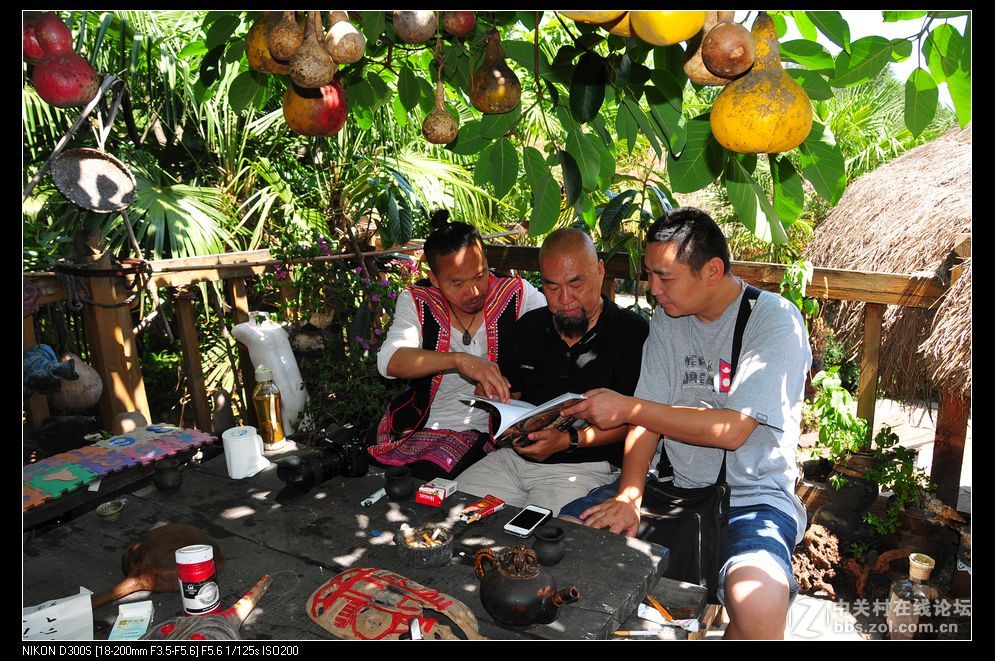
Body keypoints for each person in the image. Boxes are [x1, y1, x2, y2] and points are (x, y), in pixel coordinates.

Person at [560, 207, 811, 640]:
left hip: (752, 500)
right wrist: (630, 493)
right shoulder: (668, 319)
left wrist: (627, 408)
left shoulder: (773, 319)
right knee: (565, 540)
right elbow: (649, 415)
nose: (653, 290)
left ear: (712, 270)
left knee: (761, 608)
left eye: (665, 277)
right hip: (670, 489)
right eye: (650, 276)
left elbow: (731, 430)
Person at [457, 228, 649, 516]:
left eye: (576, 284)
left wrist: (566, 441)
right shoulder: (529, 327)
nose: (565, 299)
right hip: (512, 459)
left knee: (544, 542)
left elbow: (640, 421)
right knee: (450, 511)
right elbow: (514, 392)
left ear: (599, 271)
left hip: (586, 467)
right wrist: (493, 395)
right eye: (552, 287)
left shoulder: (632, 333)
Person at [370, 211, 546, 479]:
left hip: (490, 433)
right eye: (458, 283)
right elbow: (390, 361)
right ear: (435, 279)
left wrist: (517, 385)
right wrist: (459, 360)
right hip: (422, 427)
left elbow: (558, 339)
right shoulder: (418, 302)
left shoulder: (516, 294)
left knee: (431, 481)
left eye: (480, 275)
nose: (474, 291)